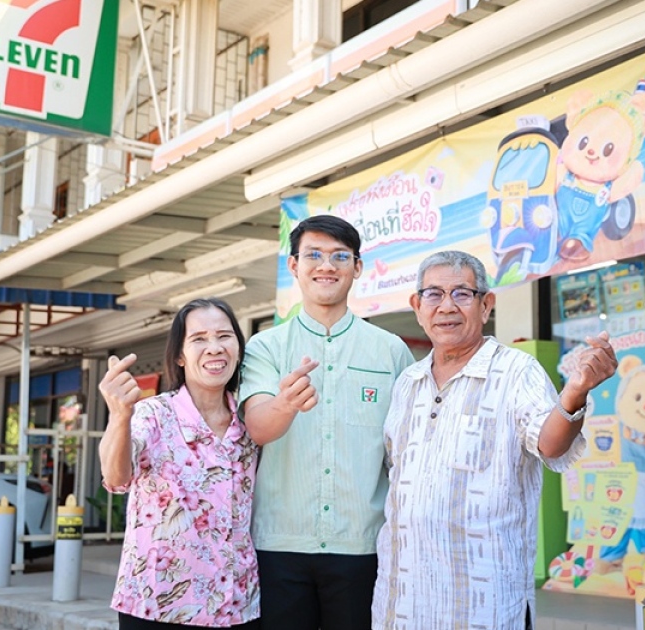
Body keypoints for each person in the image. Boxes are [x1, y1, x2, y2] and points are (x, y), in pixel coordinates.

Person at [371, 251, 619, 629]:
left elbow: (551, 445)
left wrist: (575, 393)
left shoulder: (516, 371)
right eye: (434, 294)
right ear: (417, 307)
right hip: (402, 599)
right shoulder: (408, 382)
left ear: (486, 305)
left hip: (482, 604)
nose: (447, 306)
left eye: (462, 294)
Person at [240, 214, 414, 630]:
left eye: (339, 256)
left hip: (363, 545)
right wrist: (285, 404)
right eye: (313, 255)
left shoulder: (390, 351)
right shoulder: (265, 347)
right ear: (294, 265)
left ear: (357, 267)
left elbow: (407, 452)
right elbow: (257, 428)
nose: (326, 266)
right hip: (279, 545)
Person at [98, 298, 259, 630]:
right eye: (199, 339)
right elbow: (116, 476)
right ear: (180, 356)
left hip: (236, 605)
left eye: (224, 336)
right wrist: (119, 416)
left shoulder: (250, 422)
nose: (214, 348)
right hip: (159, 605)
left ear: (238, 349)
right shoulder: (153, 414)